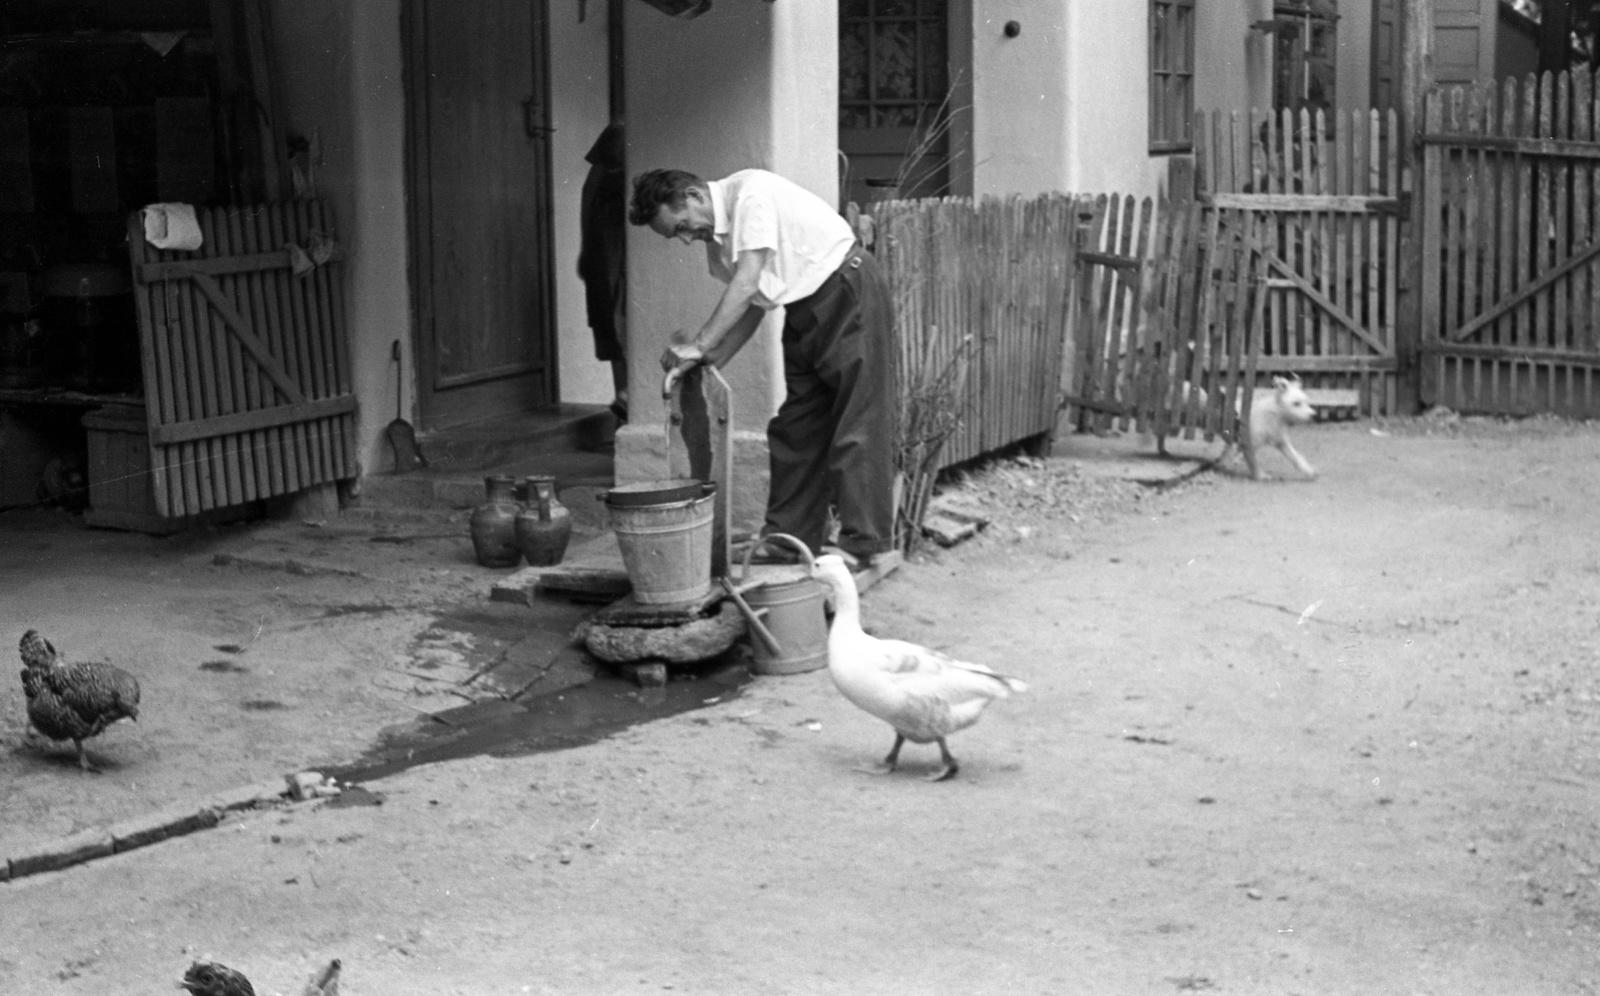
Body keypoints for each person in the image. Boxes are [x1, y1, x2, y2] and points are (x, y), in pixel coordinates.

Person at [627, 167, 897, 564]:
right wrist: (711, 361)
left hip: (846, 291)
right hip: (805, 308)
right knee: (796, 429)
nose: (686, 239)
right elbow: (756, 304)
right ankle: (789, 540)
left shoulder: (750, 194)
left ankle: (863, 544)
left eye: (682, 225)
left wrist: (699, 344)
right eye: (677, 236)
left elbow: (748, 284)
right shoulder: (720, 237)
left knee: (858, 422)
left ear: (693, 195)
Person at [578, 121, 629, 422]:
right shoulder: (621, 131)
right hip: (610, 235)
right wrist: (586, 244)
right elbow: (589, 188)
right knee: (611, 308)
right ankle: (623, 394)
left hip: (641, 234)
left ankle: (630, 396)